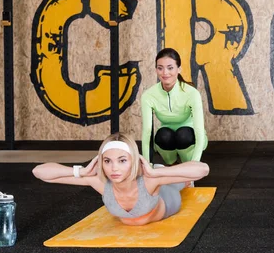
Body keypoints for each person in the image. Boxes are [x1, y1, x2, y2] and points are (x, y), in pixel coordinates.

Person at [32, 133, 209, 226]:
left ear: (133, 160)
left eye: (122, 160)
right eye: (107, 161)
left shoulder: (149, 181)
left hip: (166, 198)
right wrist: (82, 171)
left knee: (177, 182)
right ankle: (160, 171)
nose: (114, 168)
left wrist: (155, 175)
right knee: (162, 175)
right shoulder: (99, 182)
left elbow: (203, 169)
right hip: (151, 180)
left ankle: (162, 171)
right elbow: (39, 172)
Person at [141, 48, 207, 165]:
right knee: (163, 136)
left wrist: (195, 164)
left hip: (189, 136)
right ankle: (172, 163)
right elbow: (147, 132)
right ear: (156, 69)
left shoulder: (192, 93)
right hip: (167, 137)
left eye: (170, 68)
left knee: (184, 134)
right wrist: (147, 164)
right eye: (160, 68)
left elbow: (199, 131)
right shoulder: (148, 95)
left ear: (179, 69)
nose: (165, 73)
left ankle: (187, 165)